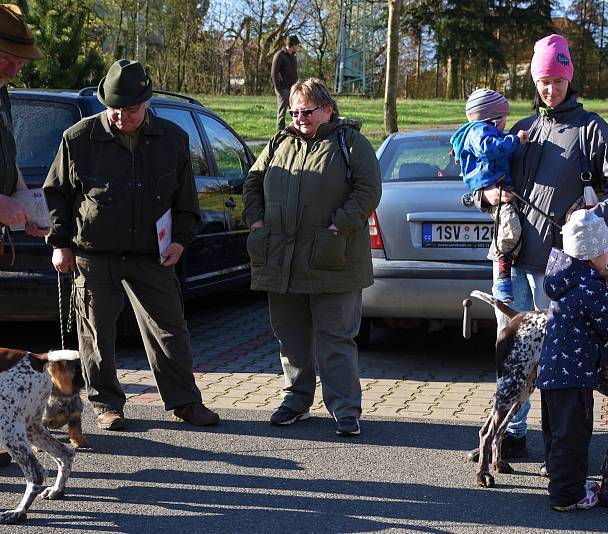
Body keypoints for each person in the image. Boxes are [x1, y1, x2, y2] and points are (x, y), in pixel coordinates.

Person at [469, 34, 608, 462]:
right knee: (513, 354)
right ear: (534, 79)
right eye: (543, 80)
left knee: (556, 357)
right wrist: (484, 197)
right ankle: (510, 434)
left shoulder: (591, 128)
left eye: (557, 80)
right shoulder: (522, 129)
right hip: (510, 261)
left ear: (570, 77)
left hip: (560, 271)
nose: (550, 89)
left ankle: (557, 440)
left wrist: (593, 220)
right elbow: (475, 181)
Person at [43, 59, 220, 431]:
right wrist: (60, 243)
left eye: (131, 110)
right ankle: (106, 404)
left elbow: (185, 200)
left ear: (147, 103)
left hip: (151, 255)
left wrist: (181, 242)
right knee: (96, 333)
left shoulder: (173, 139)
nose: (122, 116)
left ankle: (186, 402)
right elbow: (57, 193)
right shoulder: (78, 138)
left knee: (170, 327)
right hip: (93, 253)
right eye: (115, 109)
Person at [243, 78, 381, 437]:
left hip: (333, 259)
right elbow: (253, 181)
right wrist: (256, 221)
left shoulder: (350, 143)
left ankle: (345, 409)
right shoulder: (279, 143)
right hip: (282, 259)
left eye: (308, 110)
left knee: (336, 338)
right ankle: (295, 400)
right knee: (290, 336)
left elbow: (369, 189)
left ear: (328, 108)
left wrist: (339, 225)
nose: (300, 117)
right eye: (295, 111)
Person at [536, 209, 608, 512]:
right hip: (575, 375)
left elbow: (586, 308)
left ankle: (565, 484)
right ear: (592, 253)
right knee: (573, 437)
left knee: (558, 434)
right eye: (606, 251)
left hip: (553, 373)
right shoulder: (590, 286)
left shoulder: (569, 278)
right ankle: (566, 496)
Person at [0, 2, 45, 469]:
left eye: (19, 60)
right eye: (5, 57)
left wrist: (22, 197)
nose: (15, 68)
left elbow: (6, 155)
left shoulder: (1, 91)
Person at [450, 88, 529, 303]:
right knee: (510, 229)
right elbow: (488, 149)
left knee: (509, 228)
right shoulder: (479, 132)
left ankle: (504, 275)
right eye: (503, 118)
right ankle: (503, 279)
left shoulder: (481, 130)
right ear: (491, 118)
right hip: (494, 186)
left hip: (499, 186)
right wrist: (515, 140)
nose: (505, 123)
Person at [271, 35, 300, 132]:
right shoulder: (280, 55)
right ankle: (280, 134)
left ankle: (297, 131)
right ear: (293, 45)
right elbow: (274, 73)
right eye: (297, 45)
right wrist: (278, 89)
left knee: (295, 111)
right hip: (283, 89)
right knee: (282, 113)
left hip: (293, 89)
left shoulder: (293, 57)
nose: (298, 47)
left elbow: (294, 73)